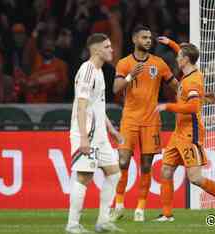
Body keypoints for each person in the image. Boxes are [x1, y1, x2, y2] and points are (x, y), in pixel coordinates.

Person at [154, 37, 215, 221]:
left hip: (191, 135)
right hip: (179, 133)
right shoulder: (190, 73)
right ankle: (167, 214)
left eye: (179, 56)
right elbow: (185, 53)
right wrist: (170, 43)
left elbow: (192, 108)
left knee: (195, 178)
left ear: (185, 60)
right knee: (166, 171)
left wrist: (167, 107)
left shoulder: (192, 81)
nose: (177, 58)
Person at [111, 25, 179, 222]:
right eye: (144, 37)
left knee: (147, 166)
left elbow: (175, 86)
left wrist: (194, 94)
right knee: (123, 161)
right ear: (134, 40)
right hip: (130, 119)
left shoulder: (159, 63)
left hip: (151, 121)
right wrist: (131, 75)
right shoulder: (124, 63)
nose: (148, 40)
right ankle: (119, 204)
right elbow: (116, 88)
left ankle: (140, 208)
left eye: (150, 37)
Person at [66, 33, 124, 234]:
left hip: (100, 135)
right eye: (107, 47)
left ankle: (103, 221)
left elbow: (97, 106)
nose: (111, 50)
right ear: (97, 49)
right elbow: (81, 107)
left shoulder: (99, 72)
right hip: (87, 133)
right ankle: (72, 225)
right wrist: (83, 137)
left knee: (114, 173)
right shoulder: (88, 70)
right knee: (84, 176)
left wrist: (112, 130)